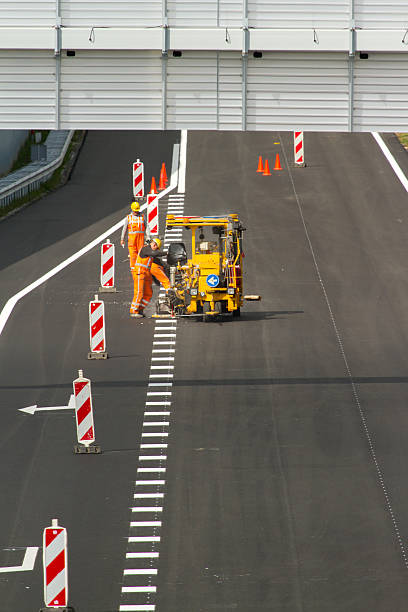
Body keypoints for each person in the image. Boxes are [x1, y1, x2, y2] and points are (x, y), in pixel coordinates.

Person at [131, 237, 170, 317]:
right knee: (139, 292)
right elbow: (155, 254)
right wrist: (166, 253)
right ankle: (134, 310)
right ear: (152, 243)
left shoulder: (151, 253)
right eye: (154, 245)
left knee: (148, 293)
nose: (155, 247)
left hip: (146, 274)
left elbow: (157, 260)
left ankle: (140, 309)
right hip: (139, 273)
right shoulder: (146, 249)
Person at [120, 201, 150, 269]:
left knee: (141, 254)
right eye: (135, 211)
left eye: (137, 210)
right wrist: (122, 239)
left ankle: (140, 268)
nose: (136, 212)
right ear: (132, 209)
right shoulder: (128, 218)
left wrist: (148, 237)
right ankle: (133, 269)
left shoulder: (142, 216)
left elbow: (147, 226)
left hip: (140, 240)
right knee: (133, 255)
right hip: (132, 241)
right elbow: (124, 229)